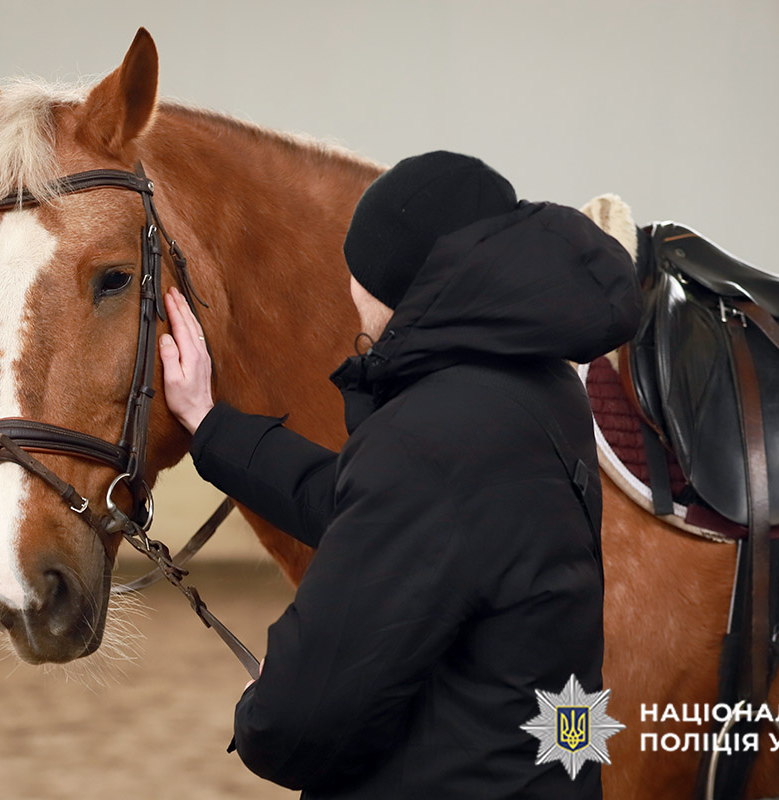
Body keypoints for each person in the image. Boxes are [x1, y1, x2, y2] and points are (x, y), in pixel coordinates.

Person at [158, 151, 641, 799]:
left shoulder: (429, 438)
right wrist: (211, 425)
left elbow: (303, 722)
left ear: (400, 280)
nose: (350, 290)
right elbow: (368, 510)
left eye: (359, 270)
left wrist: (261, 710)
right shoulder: (540, 386)